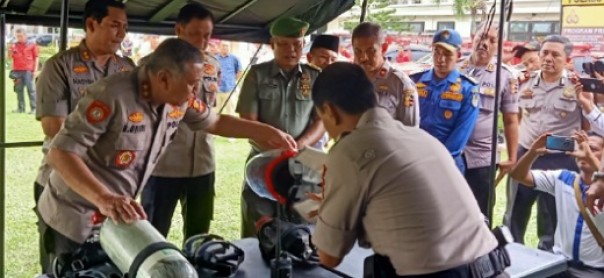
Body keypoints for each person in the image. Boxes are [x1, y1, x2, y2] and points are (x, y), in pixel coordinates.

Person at [37, 38, 296, 273]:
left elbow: (215, 122)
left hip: (115, 217)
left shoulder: (179, 99)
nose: (195, 92)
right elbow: (61, 153)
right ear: (163, 78)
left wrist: (268, 132)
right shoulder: (111, 95)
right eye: (192, 84)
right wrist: (104, 198)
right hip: (73, 216)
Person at [311, 62, 507, 278]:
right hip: (493, 268)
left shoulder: (349, 151)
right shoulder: (421, 137)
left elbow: (328, 256)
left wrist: (328, 215)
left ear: (329, 111)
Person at [34, 0, 135, 272]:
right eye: (115, 25)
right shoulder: (59, 67)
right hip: (63, 182)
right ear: (91, 24)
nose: (122, 34)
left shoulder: (129, 70)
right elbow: (54, 127)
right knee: (63, 264)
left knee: (109, 261)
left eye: (125, 27)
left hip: (113, 185)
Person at [237, 17, 325, 238]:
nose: (291, 50)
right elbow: (248, 121)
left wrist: (298, 147)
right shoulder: (257, 74)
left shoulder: (314, 77)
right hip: (263, 163)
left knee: (305, 228)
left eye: (297, 44)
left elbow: (321, 121)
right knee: (259, 226)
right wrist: (278, 152)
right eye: (284, 44)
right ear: (272, 44)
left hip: (304, 161)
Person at [140, 3, 222, 241]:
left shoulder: (212, 65)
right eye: (195, 34)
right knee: (153, 235)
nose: (202, 41)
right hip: (163, 164)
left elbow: (211, 111)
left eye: (207, 35)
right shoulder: (151, 65)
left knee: (199, 237)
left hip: (203, 164)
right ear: (178, 29)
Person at [504, 35, 586, 251]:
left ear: (567, 59)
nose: (548, 58)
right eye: (545, 53)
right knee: (515, 212)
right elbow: (516, 118)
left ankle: (547, 259)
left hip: (560, 158)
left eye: (555, 54)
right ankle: (511, 255)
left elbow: (585, 127)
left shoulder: (577, 87)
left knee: (551, 217)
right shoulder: (525, 82)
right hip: (527, 155)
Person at [510, 131, 604, 278]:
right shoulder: (562, 178)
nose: (584, 152)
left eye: (593, 149)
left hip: (595, 270)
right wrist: (532, 153)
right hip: (560, 264)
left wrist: (591, 159)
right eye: (581, 148)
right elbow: (518, 175)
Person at [458, 23, 519, 224]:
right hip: (452, 153)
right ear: (473, 38)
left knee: (481, 214)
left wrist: (512, 156)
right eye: (482, 37)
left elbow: (511, 120)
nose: (485, 43)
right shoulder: (455, 68)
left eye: (492, 40)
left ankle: (481, 255)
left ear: (498, 46)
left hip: (483, 158)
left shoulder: (505, 76)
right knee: (449, 209)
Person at [410, 29, 480, 173]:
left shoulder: (468, 89)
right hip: (415, 159)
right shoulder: (415, 82)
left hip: (447, 164)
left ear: (458, 56)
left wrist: (435, 163)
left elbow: (460, 136)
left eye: (447, 54)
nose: (440, 59)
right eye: (436, 52)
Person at [352, 22, 418, 127]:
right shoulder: (350, 79)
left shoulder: (400, 83)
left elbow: (410, 130)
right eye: (358, 51)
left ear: (384, 48)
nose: (363, 57)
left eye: (371, 51)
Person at [307, 34, 340, 149]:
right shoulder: (297, 78)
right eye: (323, 57)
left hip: (319, 143)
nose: (329, 63)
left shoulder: (336, 84)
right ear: (309, 57)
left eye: (333, 59)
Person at [9, 28, 38, 114]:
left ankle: (34, 108)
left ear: (25, 35)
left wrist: (35, 70)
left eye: (20, 36)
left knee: (31, 90)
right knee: (18, 89)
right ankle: (20, 108)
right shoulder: (14, 45)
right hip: (17, 71)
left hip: (28, 71)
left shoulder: (32, 45)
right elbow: (9, 57)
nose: (19, 38)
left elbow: (36, 57)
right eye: (17, 36)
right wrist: (10, 51)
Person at [216, 41, 242, 115]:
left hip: (230, 89)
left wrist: (233, 80)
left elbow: (239, 71)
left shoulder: (234, 58)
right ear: (220, 47)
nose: (225, 47)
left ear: (229, 47)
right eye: (223, 45)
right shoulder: (215, 58)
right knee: (216, 112)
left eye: (227, 46)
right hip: (218, 89)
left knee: (231, 112)